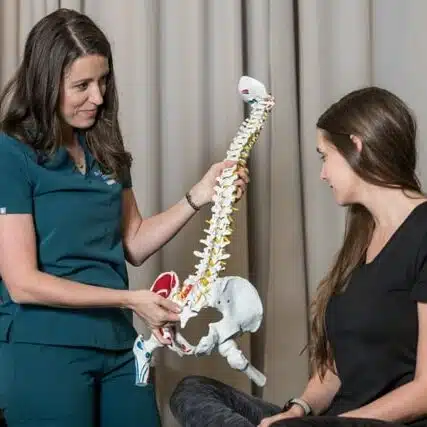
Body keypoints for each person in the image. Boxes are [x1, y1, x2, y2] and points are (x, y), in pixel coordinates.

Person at [0, 8, 248, 427]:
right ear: (44, 85)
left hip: (118, 344)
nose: (97, 97)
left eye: (102, 81)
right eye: (81, 85)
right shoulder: (11, 154)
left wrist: (198, 196)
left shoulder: (103, 147)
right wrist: (131, 299)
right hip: (43, 345)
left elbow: (131, 242)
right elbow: (22, 283)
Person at [170, 86, 427, 427]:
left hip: (374, 422)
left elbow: (424, 391)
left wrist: (327, 425)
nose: (322, 174)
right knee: (192, 391)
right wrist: (299, 409)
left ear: (357, 146)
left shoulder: (423, 232)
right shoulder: (362, 236)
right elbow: (336, 369)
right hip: (326, 420)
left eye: (324, 156)